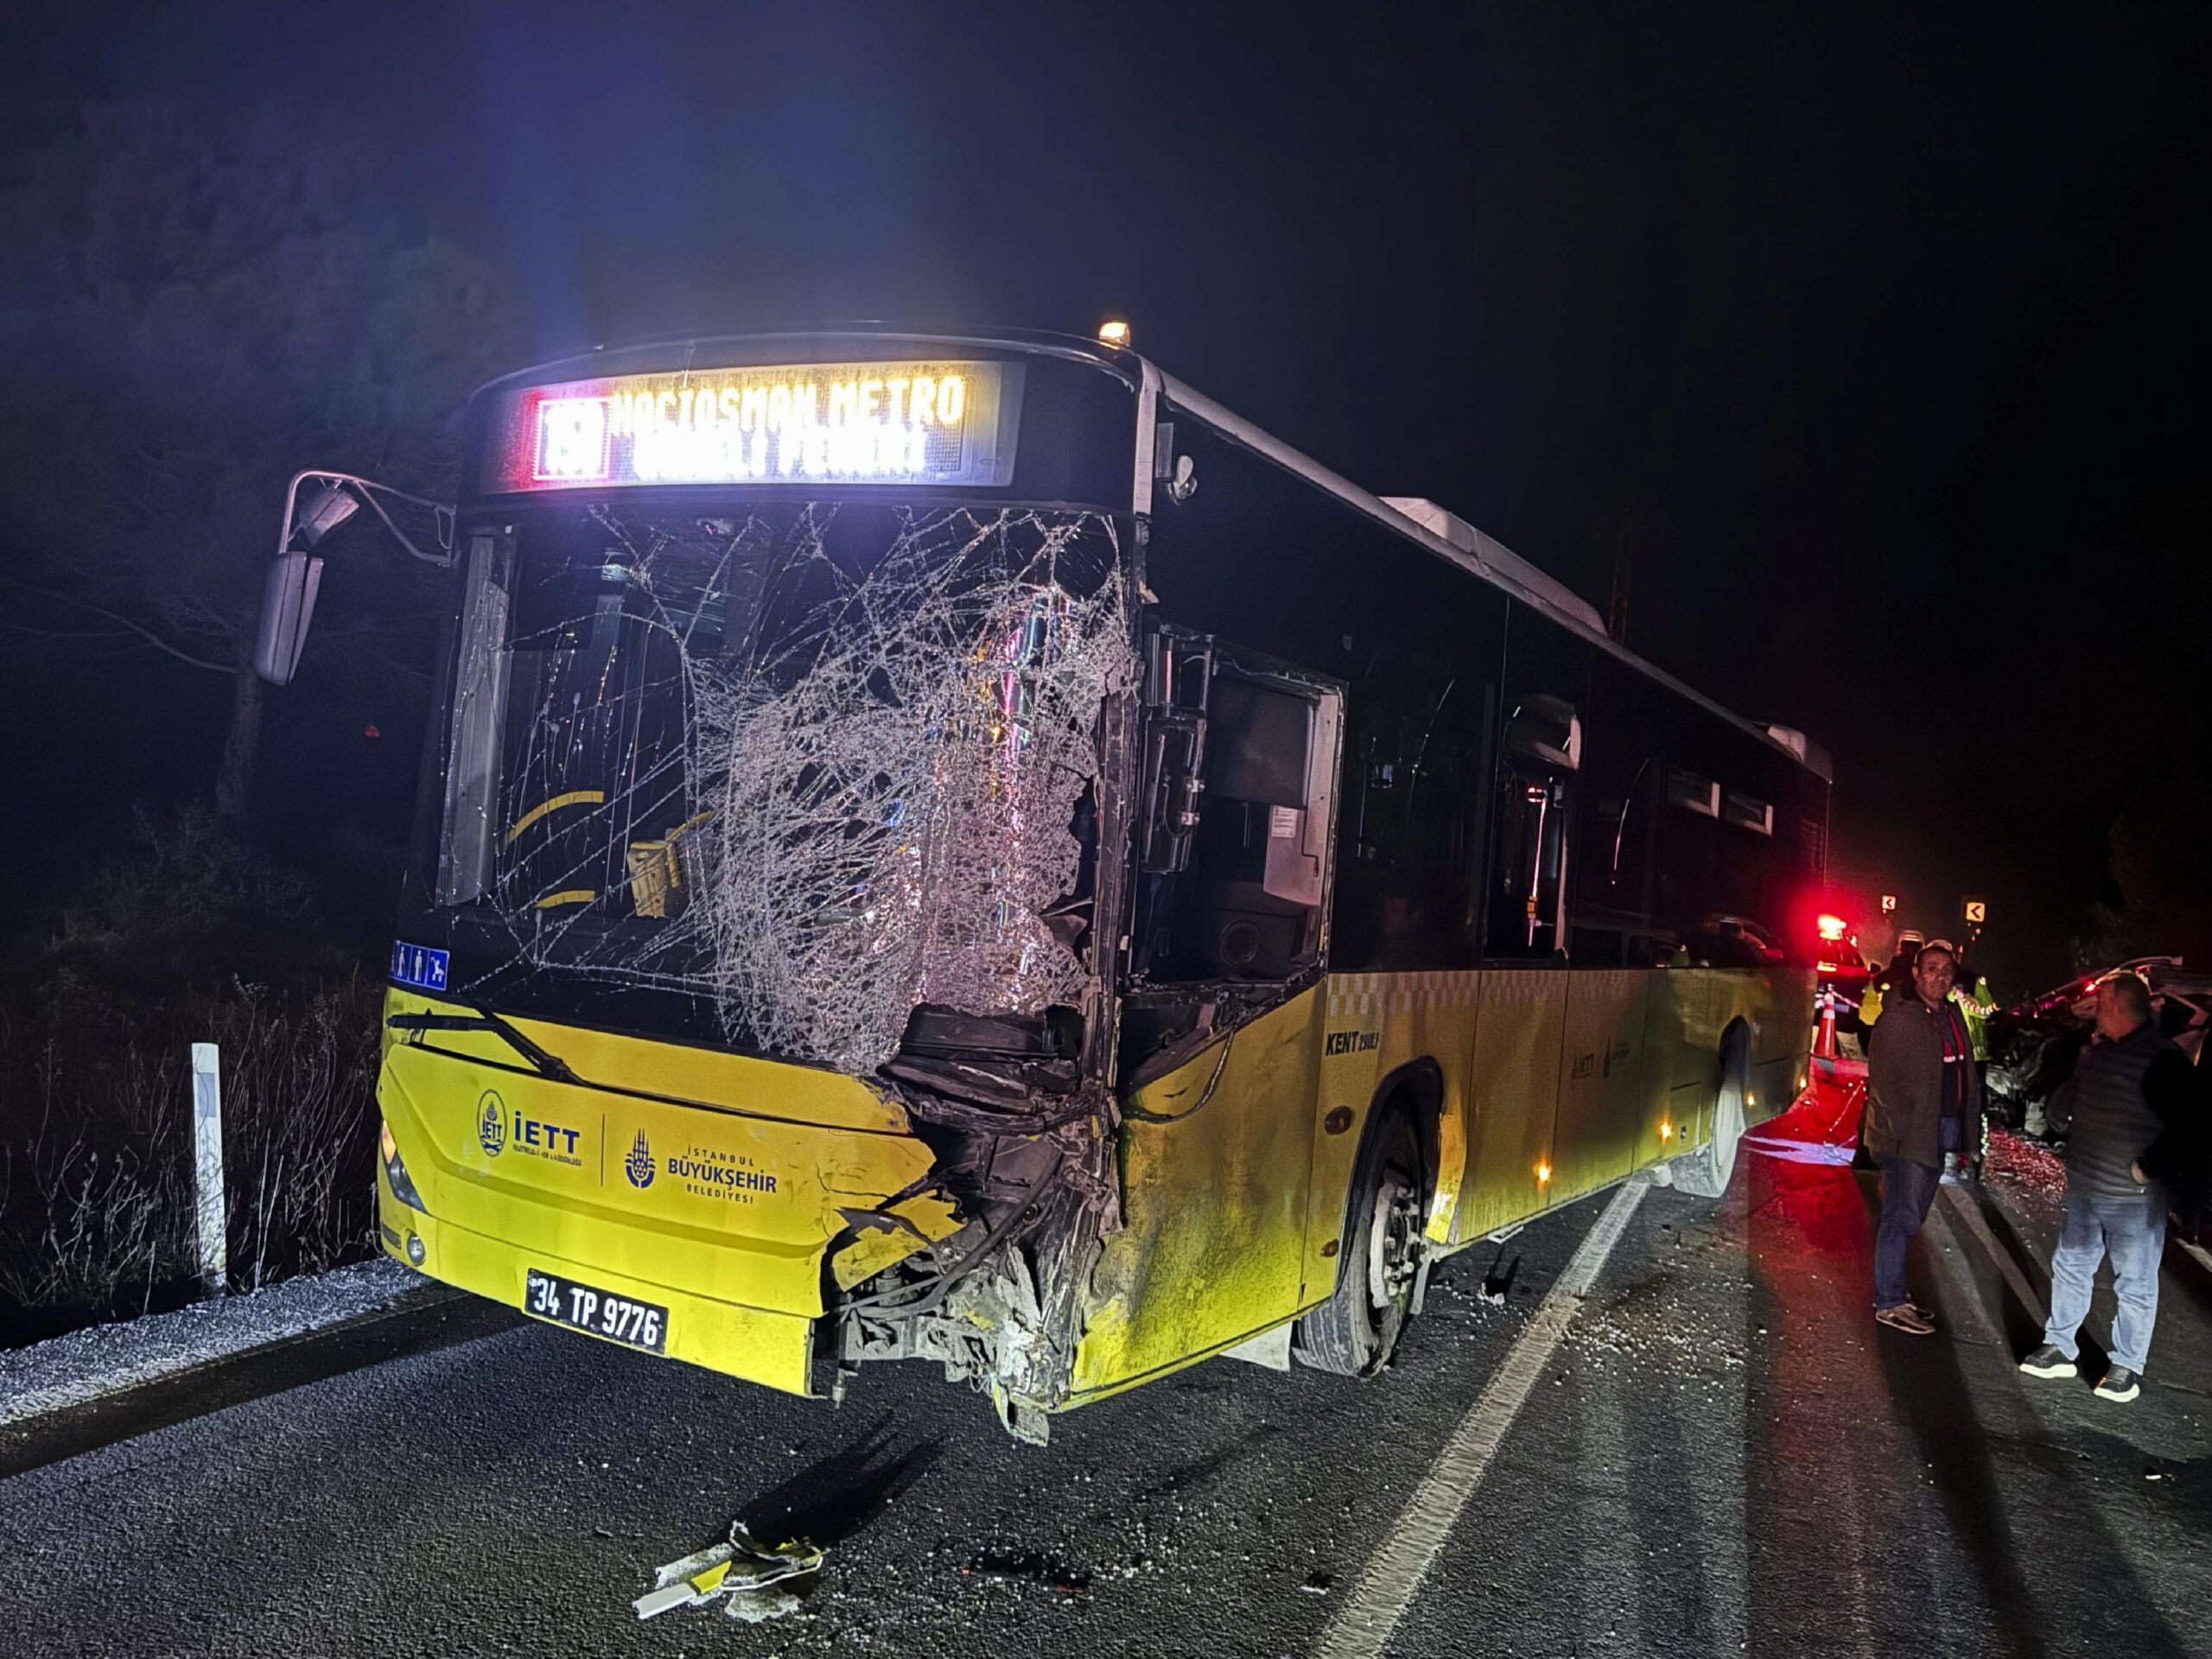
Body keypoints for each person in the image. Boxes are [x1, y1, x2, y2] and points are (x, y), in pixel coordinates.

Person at [2018, 972, 2203, 1402]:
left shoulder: (2164, 1060)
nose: (2094, 1010)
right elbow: (2065, 1105)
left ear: (2119, 1007)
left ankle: (2126, 1367)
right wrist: (2063, 1110)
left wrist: (2150, 1166)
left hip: (2134, 1200)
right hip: (2086, 1188)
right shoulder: (2097, 1055)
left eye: (2100, 1002)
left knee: (2135, 1282)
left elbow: (2192, 1125)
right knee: (2071, 1266)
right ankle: (2061, 1347)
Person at [1864, 941, 1981, 1334]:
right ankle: (1889, 1301)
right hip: (1908, 1135)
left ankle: (1895, 1292)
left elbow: (1961, 1073)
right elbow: (1883, 1083)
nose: (1940, 976)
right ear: (1916, 973)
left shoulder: (1948, 1014)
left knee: (1914, 1213)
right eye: (1932, 968)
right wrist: (1897, 1131)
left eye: (1947, 970)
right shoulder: (1900, 1018)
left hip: (1938, 1127)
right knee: (1901, 1214)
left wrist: (1965, 1132)